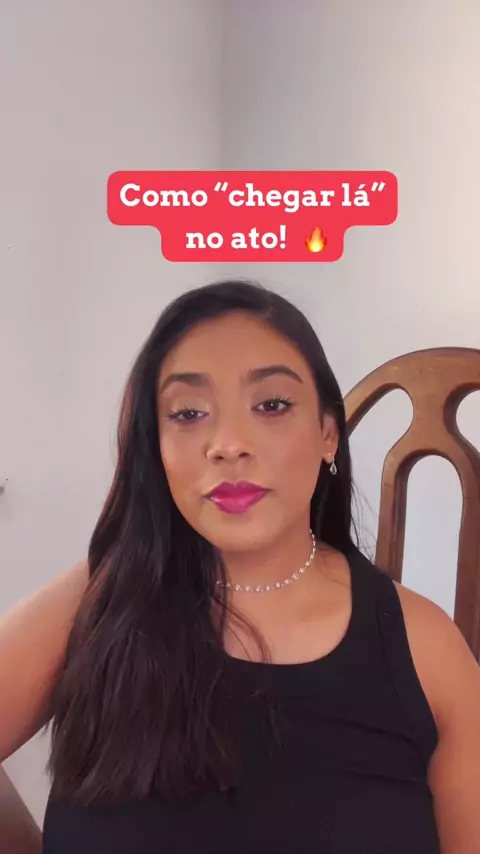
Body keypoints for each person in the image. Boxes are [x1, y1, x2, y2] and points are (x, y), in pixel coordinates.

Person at [1, 279, 479, 854]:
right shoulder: (98, 599)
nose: (228, 443)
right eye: (188, 412)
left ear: (328, 434)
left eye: (271, 405)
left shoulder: (424, 647)